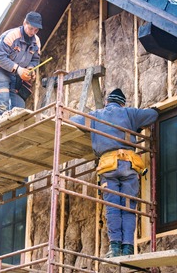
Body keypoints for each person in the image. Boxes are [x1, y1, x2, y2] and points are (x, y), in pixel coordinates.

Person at [70, 88, 159, 257]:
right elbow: (153, 115)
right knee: (128, 207)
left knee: (113, 207)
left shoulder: (97, 115)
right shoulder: (129, 113)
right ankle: (128, 247)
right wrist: (138, 125)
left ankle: (115, 248)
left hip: (108, 166)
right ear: (122, 103)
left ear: (107, 102)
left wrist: (93, 126)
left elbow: (74, 120)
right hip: (129, 166)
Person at [0, 11, 42, 118]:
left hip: (15, 75)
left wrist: (30, 68)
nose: (33, 32)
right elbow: (0, 57)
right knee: (2, 105)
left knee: (19, 109)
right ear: (25, 23)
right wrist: (19, 70)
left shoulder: (36, 41)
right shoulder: (12, 35)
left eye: (36, 30)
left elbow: (35, 59)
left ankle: (14, 131)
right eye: (31, 28)